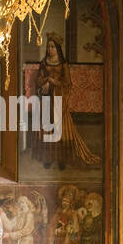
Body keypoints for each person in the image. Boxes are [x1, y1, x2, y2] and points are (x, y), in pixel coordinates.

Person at [32, 35, 98, 169]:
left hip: (59, 100)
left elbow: (68, 83)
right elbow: (38, 81)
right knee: (47, 128)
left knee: (61, 130)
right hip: (46, 99)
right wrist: (46, 80)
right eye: (48, 46)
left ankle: (61, 159)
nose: (50, 49)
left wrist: (53, 81)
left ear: (58, 48)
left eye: (53, 47)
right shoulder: (44, 63)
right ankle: (48, 158)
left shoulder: (63, 64)